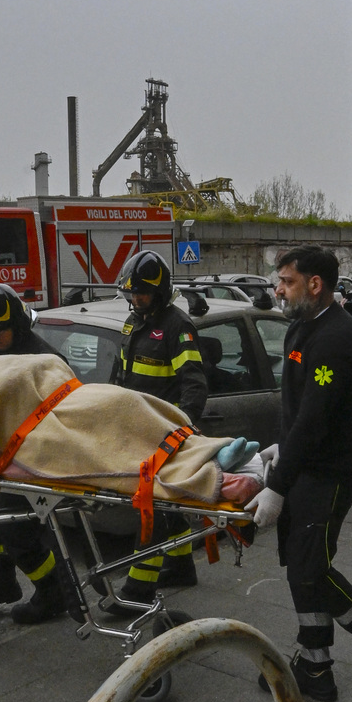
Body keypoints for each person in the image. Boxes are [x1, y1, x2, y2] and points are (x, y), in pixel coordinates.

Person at [249, 246, 352, 702]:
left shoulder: (337, 338)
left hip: (332, 472)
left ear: (316, 284)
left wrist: (274, 486)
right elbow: (295, 408)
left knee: (311, 565)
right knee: (299, 563)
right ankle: (315, 665)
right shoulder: (301, 327)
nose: (278, 289)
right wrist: (279, 449)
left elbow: (315, 421)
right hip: (304, 465)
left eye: (287, 281)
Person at [0, 283, 70, 624]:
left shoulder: (45, 361)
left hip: (32, 461)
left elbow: (64, 415)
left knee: (16, 531)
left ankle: (53, 591)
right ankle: (2, 583)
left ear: (17, 324)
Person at [112, 250, 208, 602]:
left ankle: (138, 590)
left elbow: (194, 383)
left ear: (160, 291)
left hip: (163, 432)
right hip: (136, 428)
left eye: (142, 293)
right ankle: (182, 568)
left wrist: (182, 428)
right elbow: (120, 374)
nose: (136, 299)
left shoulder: (176, 326)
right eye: (131, 293)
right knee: (164, 505)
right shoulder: (134, 322)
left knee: (149, 508)